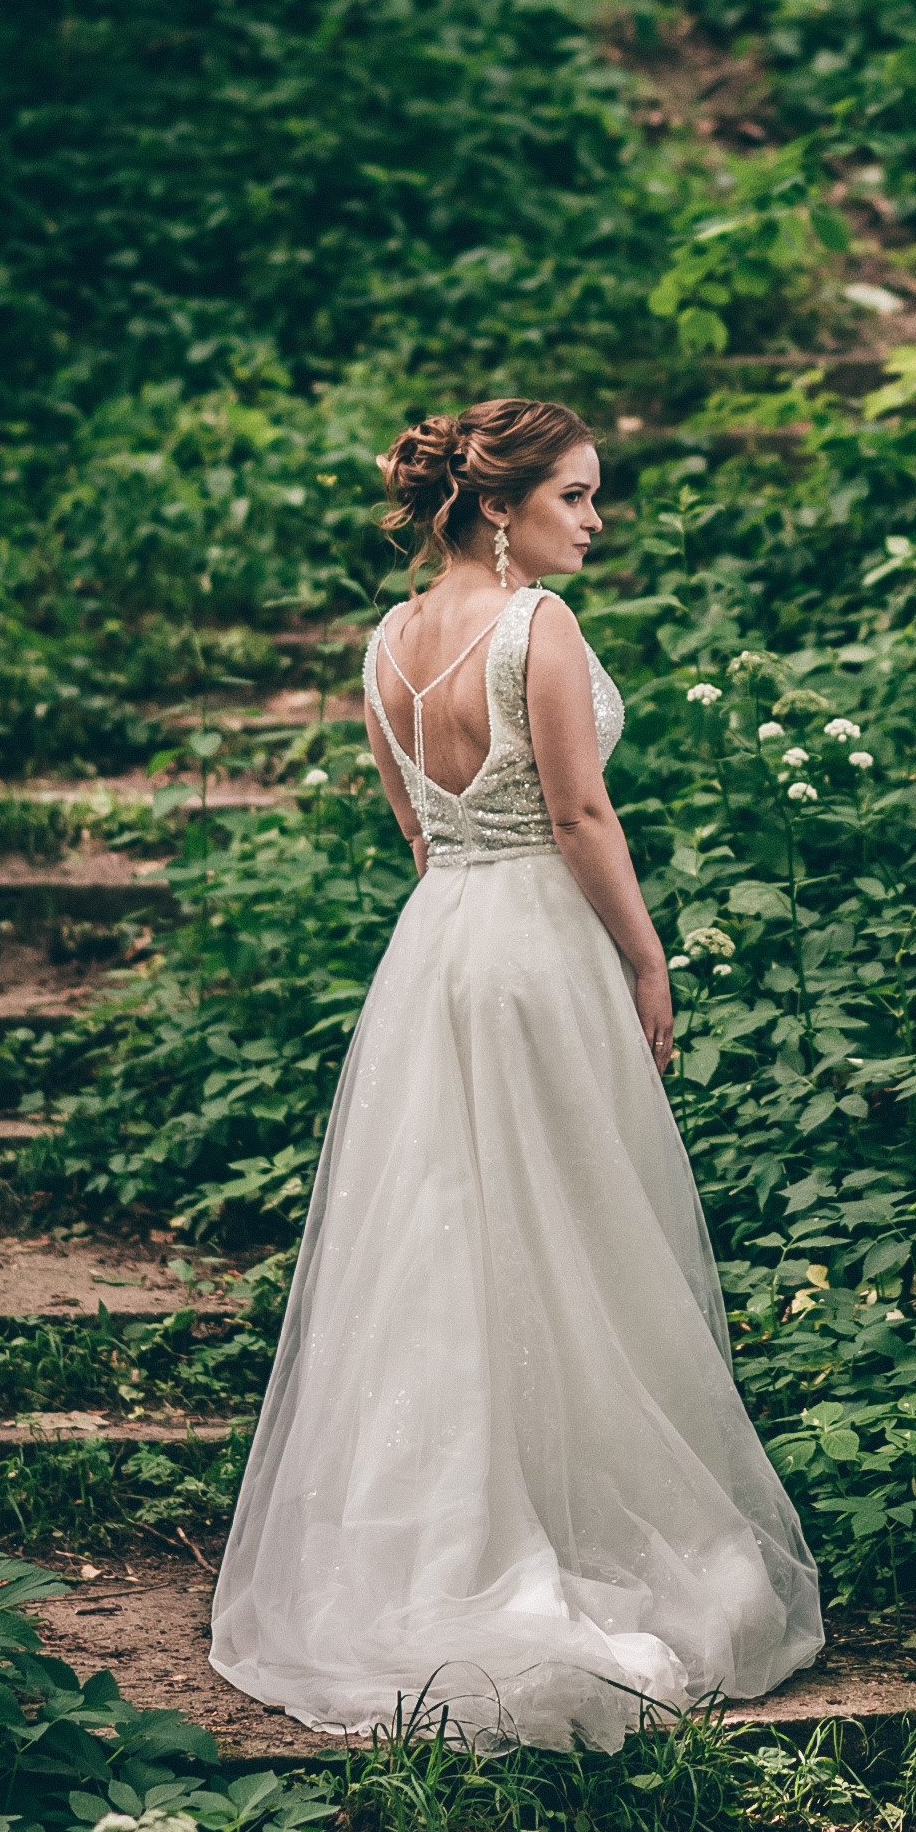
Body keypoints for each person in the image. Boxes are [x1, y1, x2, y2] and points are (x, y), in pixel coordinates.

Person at [209, 396, 823, 1747]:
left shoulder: (384, 646)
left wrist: (470, 921)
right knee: (572, 1230)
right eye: (578, 497)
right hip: (538, 941)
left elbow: (420, 839)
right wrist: (646, 959)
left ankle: (441, 1537)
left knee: (447, 1235)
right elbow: (579, 809)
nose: (594, 522)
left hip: (436, 950)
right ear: (503, 503)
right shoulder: (535, 628)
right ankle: (541, 1536)